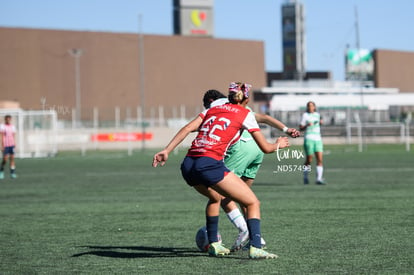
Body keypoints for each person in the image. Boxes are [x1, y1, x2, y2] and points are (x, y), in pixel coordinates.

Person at [153, 82, 290, 259]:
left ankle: (214, 244)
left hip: (188, 164)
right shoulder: (246, 114)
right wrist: (279, 144)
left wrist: (166, 150)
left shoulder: (212, 109)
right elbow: (266, 148)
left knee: (215, 197)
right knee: (252, 202)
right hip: (209, 163)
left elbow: (187, 128)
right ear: (247, 98)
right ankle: (256, 247)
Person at [203, 87, 300, 251]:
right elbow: (265, 117)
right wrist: (286, 129)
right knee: (244, 196)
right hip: (256, 151)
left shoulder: (222, 108)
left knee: (221, 196)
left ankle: (244, 230)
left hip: (241, 151)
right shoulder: (243, 108)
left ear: (211, 102)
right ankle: (257, 238)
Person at [299, 101, 326, 185]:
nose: (310, 107)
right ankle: (305, 177)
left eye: (311, 106)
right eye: (308, 106)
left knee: (320, 159)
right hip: (309, 139)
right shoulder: (305, 115)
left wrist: (321, 123)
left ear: (314, 107)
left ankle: (319, 178)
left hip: (318, 139)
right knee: (309, 159)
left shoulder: (317, 115)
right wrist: (307, 125)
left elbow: (319, 123)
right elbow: (300, 128)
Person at [0, 115, 17, 179]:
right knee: (5, 159)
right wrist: (1, 145)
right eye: (7, 119)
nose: (8, 120)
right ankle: (1, 171)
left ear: (10, 119)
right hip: (5, 145)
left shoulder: (12, 127)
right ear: (5, 119)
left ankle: (12, 173)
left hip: (11, 145)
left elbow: (14, 135)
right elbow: (1, 136)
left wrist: (15, 143)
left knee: (12, 158)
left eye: (9, 119)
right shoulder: (2, 126)